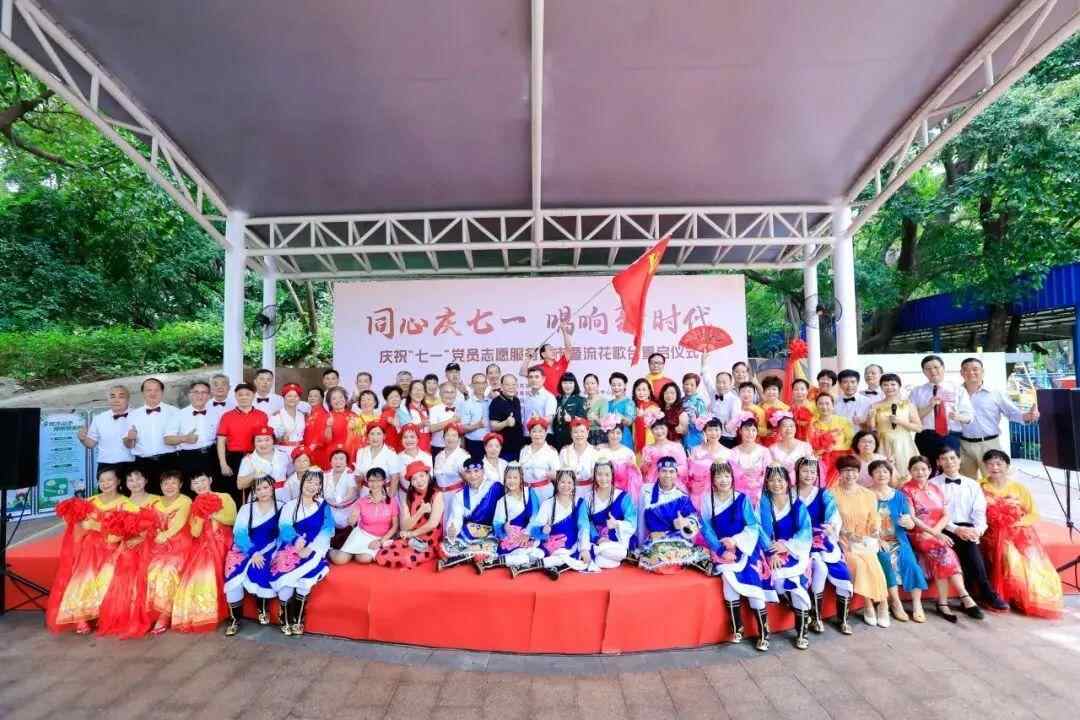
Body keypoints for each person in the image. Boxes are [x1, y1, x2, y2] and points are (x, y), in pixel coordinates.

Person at [46, 468, 134, 634]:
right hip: (90, 549)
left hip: (114, 550)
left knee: (107, 578)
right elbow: (78, 528)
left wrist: (97, 526)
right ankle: (80, 617)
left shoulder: (127, 504)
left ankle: (102, 615)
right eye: (102, 481)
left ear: (118, 481)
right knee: (83, 577)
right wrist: (72, 520)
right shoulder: (89, 501)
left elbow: (125, 532)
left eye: (109, 480)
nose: (105, 484)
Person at [698, 461, 776, 648]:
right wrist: (721, 550)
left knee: (752, 583)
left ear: (732, 478)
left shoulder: (742, 498)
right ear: (712, 479)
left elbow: (753, 527)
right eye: (719, 476)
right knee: (728, 580)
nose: (723, 480)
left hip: (745, 548)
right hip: (721, 550)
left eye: (726, 476)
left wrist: (736, 541)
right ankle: (737, 627)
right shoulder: (707, 500)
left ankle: (764, 631)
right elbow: (706, 529)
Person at [980, 449, 1063, 618]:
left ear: (1007, 466)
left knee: (1020, 558)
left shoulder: (1019, 488)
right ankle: (1003, 595)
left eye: (999, 464)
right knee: (1005, 553)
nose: (994, 467)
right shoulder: (979, 486)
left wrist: (1017, 524)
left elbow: (1033, 514)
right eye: (990, 464)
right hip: (989, 533)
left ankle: (1021, 596)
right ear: (985, 467)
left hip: (1016, 532)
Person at [901, 455, 983, 623]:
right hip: (918, 533)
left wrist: (937, 532)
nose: (920, 472)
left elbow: (946, 514)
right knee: (943, 551)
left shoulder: (936, 488)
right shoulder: (906, 490)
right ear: (909, 471)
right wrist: (934, 533)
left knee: (945, 553)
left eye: (923, 469)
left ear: (930, 470)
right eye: (915, 469)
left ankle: (944, 603)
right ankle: (964, 596)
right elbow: (912, 517)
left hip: (935, 532)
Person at [933, 444, 1009, 610]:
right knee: (968, 544)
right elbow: (934, 514)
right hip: (943, 528)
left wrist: (978, 530)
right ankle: (985, 593)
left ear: (960, 460)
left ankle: (972, 595)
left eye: (953, 458)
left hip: (969, 528)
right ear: (938, 462)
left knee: (970, 542)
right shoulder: (933, 485)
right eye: (944, 459)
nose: (949, 462)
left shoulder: (972, 484)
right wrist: (956, 529)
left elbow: (979, 512)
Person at [171, 472, 237, 633]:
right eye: (195, 483)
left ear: (210, 480)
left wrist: (212, 513)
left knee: (211, 567)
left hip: (224, 542)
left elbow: (232, 519)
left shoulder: (224, 497)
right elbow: (194, 533)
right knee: (196, 575)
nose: (200, 485)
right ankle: (200, 614)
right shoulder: (193, 504)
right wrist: (200, 516)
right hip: (203, 545)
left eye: (202, 481)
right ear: (191, 487)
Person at [794, 457, 855, 635]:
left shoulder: (823, 493)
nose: (809, 475)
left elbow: (833, 515)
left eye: (813, 472)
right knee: (819, 568)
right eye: (805, 471)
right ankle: (816, 617)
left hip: (822, 540)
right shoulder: (789, 494)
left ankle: (843, 618)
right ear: (797, 472)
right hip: (800, 542)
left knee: (843, 573)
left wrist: (831, 527)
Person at [271, 469, 334, 636]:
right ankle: (285, 616)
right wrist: (296, 543)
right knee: (286, 582)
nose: (312, 486)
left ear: (320, 487)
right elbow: (284, 528)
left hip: (314, 548)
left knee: (305, 581)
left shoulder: (323, 506)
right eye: (309, 482)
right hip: (290, 548)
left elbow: (327, 530)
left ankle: (298, 618)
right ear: (302, 483)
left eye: (317, 484)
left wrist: (311, 548)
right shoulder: (290, 506)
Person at [759, 465, 814, 650]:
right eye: (772, 480)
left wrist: (787, 546)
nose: (776, 484)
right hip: (771, 551)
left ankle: (802, 632)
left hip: (795, 550)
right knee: (779, 580)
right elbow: (761, 530)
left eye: (780, 480)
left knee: (794, 581)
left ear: (787, 482)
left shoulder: (797, 504)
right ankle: (803, 614)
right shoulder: (763, 503)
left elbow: (805, 531)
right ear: (766, 483)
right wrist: (772, 552)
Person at [832, 454, 888, 627]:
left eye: (854, 470)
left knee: (872, 561)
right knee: (859, 564)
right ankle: (869, 604)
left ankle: (883, 604)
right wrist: (846, 534)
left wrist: (875, 530)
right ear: (839, 472)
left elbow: (875, 517)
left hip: (865, 540)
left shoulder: (868, 494)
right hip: (843, 541)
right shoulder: (832, 494)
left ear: (858, 472)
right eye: (846, 470)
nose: (850, 474)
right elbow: (830, 521)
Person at [959, 357, 1039, 478]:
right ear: (961, 373)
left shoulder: (995, 393)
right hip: (963, 445)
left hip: (989, 444)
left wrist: (1028, 416)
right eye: (966, 369)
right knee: (966, 482)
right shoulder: (956, 393)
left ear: (982, 372)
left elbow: (1012, 413)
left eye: (975, 369)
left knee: (994, 480)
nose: (971, 372)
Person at [869, 459, 927, 625]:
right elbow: (862, 522)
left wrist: (908, 523)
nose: (881, 474)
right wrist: (877, 539)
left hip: (899, 539)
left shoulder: (899, 496)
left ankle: (917, 604)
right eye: (877, 471)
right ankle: (896, 603)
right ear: (871, 475)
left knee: (911, 563)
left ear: (890, 475)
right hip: (876, 540)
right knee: (885, 559)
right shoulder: (866, 495)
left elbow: (909, 521)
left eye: (885, 471)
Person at [223, 475, 282, 636]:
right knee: (234, 576)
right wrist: (252, 552)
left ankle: (262, 608)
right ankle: (234, 619)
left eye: (266, 487)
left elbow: (283, 533)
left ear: (272, 488)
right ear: (254, 492)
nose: (262, 492)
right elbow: (240, 534)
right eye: (258, 489)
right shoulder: (246, 508)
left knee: (264, 569)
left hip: (270, 548)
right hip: (244, 548)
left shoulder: (282, 507)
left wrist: (276, 551)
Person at [638, 457, 709, 574]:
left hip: (676, 539)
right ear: (658, 472)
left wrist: (684, 524)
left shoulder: (681, 497)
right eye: (664, 471)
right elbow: (640, 520)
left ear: (676, 474)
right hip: (655, 540)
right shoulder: (646, 491)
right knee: (659, 561)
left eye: (671, 471)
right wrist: (641, 543)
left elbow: (694, 520)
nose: (667, 475)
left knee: (673, 557)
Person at [144, 470, 193, 634]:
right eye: (166, 483)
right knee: (151, 571)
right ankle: (151, 613)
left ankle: (164, 615)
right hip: (158, 545)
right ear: (160, 485)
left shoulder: (185, 501)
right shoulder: (155, 502)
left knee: (168, 572)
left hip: (179, 545)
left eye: (173, 483)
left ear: (181, 485)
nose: (169, 486)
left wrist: (165, 535)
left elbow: (178, 524)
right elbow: (149, 523)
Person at [438, 457, 503, 572]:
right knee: (445, 546)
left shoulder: (495, 488)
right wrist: (452, 529)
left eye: (476, 471)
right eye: (469, 472)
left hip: (491, 533)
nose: (473, 476)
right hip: (468, 534)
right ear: (464, 474)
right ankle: (475, 556)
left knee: (494, 545)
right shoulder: (460, 495)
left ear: (483, 471)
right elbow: (456, 518)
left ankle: (464, 557)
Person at [376, 461, 445, 570]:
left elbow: (433, 523)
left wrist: (411, 533)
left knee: (407, 559)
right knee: (382, 555)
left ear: (428, 476)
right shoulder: (408, 497)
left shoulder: (437, 494)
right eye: (414, 479)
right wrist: (420, 512)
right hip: (411, 538)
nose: (419, 481)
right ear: (411, 482)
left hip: (429, 541)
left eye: (421, 476)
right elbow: (404, 527)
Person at [522, 468, 587, 579]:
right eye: (562, 482)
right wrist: (542, 530)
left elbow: (584, 527)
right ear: (556, 483)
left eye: (569, 482)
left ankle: (539, 564)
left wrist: (584, 549)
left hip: (569, 545)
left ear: (574, 484)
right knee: (534, 553)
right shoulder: (547, 503)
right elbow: (534, 529)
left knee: (565, 555)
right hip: (550, 544)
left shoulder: (579, 502)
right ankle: (554, 564)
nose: (566, 486)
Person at [910, 354, 973, 469]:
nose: (932, 371)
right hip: (926, 436)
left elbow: (969, 417)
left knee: (950, 469)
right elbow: (912, 418)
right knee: (927, 470)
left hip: (950, 435)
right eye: (928, 368)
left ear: (943, 368)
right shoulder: (917, 392)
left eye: (936, 367)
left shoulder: (957, 389)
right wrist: (930, 406)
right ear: (923, 371)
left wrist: (958, 416)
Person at [216, 383, 270, 508]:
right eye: (240, 395)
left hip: (257, 456)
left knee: (258, 489)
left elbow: (268, 439)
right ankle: (237, 517)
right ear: (235, 396)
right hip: (235, 458)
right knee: (235, 491)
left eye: (247, 394)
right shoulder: (227, 416)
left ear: (253, 396)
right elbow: (221, 441)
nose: (244, 397)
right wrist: (223, 464)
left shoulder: (262, 415)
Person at [332, 467, 399, 565]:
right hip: (361, 534)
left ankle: (354, 554)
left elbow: (395, 526)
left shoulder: (391, 501)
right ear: (367, 482)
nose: (374, 484)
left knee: (364, 558)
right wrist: (351, 520)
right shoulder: (362, 501)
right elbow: (352, 520)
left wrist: (381, 541)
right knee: (340, 560)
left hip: (380, 537)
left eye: (378, 480)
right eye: (371, 481)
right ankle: (328, 551)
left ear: (383, 482)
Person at [578, 461, 637, 571]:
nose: (603, 478)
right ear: (594, 475)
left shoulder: (623, 496)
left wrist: (617, 524)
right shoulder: (587, 499)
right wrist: (597, 538)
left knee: (602, 554)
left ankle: (608, 552)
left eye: (607, 474)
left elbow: (632, 523)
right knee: (601, 560)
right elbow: (584, 525)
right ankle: (623, 556)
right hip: (598, 542)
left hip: (620, 542)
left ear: (612, 475)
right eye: (599, 474)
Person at [127, 377, 178, 494]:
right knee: (146, 497)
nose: (152, 393)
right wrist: (130, 438)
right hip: (143, 463)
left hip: (169, 461)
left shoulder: (174, 412)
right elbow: (128, 444)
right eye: (148, 390)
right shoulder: (133, 415)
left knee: (170, 495)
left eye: (156, 390)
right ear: (143, 393)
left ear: (162, 392)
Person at [165, 381, 220, 487]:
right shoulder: (179, 415)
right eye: (196, 392)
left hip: (212, 456)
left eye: (204, 392)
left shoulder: (216, 414)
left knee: (213, 487)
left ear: (209, 396)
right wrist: (184, 438)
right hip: (189, 458)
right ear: (190, 395)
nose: (200, 396)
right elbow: (167, 439)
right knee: (191, 489)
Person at [869, 373, 921, 482]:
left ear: (899, 386)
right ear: (881, 387)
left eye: (893, 384)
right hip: (883, 443)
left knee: (905, 474)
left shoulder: (908, 405)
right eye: (885, 385)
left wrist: (900, 421)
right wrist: (871, 417)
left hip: (903, 443)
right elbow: (872, 428)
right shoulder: (875, 406)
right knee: (884, 474)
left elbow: (918, 428)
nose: (889, 387)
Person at [491, 462, 543, 570]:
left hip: (528, 533)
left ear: (521, 479)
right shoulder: (502, 501)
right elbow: (497, 524)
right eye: (509, 477)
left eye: (515, 477)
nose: (512, 481)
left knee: (539, 554)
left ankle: (514, 561)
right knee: (522, 554)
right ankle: (507, 560)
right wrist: (505, 527)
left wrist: (527, 534)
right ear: (505, 479)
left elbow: (536, 516)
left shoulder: (529, 492)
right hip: (511, 537)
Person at [78, 385, 135, 481]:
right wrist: (82, 439)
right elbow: (91, 444)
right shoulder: (99, 418)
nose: (116, 400)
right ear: (108, 399)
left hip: (131, 464)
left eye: (121, 396)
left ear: (128, 399)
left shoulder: (138, 416)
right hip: (105, 464)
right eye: (112, 396)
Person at [304, 386, 357, 469]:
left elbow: (361, 437)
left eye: (341, 397)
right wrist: (329, 427)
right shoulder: (325, 417)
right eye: (334, 398)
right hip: (332, 455)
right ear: (330, 402)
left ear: (345, 399)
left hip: (351, 453)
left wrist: (354, 430)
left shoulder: (354, 416)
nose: (338, 400)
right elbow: (324, 440)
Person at [808, 393, 854, 487]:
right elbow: (809, 443)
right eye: (820, 404)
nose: (824, 407)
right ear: (816, 406)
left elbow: (851, 441)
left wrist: (833, 448)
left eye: (827, 403)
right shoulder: (813, 424)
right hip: (820, 460)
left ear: (833, 405)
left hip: (840, 460)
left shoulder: (844, 421)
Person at [687, 418, 732, 511]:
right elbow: (689, 474)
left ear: (721, 431)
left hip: (719, 494)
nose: (713, 433)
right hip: (698, 493)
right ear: (704, 431)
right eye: (710, 430)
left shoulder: (728, 453)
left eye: (716, 430)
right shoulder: (695, 450)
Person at [237, 426, 288, 504]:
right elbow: (240, 485)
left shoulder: (283, 455)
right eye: (259, 440)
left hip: (282, 496)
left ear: (273, 440)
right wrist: (255, 474)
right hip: (259, 497)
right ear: (254, 442)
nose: (264, 444)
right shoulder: (248, 460)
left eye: (267, 440)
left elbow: (291, 476)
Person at [520, 321, 573, 395]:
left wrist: (564, 331)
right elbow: (522, 372)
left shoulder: (561, 364)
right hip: (545, 400)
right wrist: (528, 358)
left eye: (553, 350)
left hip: (561, 399)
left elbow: (568, 349)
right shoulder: (538, 368)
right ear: (543, 354)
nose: (553, 351)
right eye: (550, 350)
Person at [728, 414, 769, 508]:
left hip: (761, 492)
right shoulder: (733, 452)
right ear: (740, 431)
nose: (750, 433)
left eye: (753, 430)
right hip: (739, 492)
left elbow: (769, 473)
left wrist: (757, 484)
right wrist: (744, 474)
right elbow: (731, 473)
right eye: (746, 429)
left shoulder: (765, 451)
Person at [699, 358, 740, 447]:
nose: (721, 385)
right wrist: (704, 363)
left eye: (724, 383)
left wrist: (727, 427)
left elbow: (735, 420)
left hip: (727, 438)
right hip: (712, 436)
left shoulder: (734, 400)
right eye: (718, 382)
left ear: (730, 384)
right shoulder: (714, 393)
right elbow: (707, 380)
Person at [559, 418, 600, 503]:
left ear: (587, 433)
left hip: (590, 491)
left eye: (582, 432)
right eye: (575, 432)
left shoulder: (595, 452)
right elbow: (560, 475)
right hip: (569, 492)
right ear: (571, 434)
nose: (579, 435)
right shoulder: (564, 452)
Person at [322, 446, 362, 534]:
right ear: (330, 461)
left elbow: (351, 492)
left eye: (341, 459)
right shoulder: (325, 475)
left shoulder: (351, 474)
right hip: (330, 512)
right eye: (335, 459)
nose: (338, 462)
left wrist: (339, 501)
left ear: (346, 461)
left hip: (348, 512)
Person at [640, 417, 688, 491]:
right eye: (656, 429)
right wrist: (645, 465)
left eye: (662, 428)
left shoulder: (677, 446)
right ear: (651, 431)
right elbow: (643, 471)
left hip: (673, 482)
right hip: (652, 482)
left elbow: (684, 467)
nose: (659, 431)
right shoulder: (647, 449)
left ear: (667, 429)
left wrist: (670, 471)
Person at [354, 422, 401, 496]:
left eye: (379, 434)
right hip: (365, 492)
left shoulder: (391, 453)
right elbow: (358, 477)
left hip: (384, 493)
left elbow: (395, 479)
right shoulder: (361, 452)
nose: (375, 437)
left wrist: (389, 498)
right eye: (372, 434)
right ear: (367, 436)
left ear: (384, 436)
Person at [520, 417, 560, 502]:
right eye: (534, 431)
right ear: (530, 433)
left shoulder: (551, 451)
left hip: (544, 492)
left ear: (545, 433)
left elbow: (558, 475)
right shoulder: (524, 450)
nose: (537, 434)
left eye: (540, 431)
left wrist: (545, 473)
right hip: (525, 491)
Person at [488, 374, 525, 461]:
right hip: (505, 450)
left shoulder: (516, 400)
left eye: (513, 384)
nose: (511, 387)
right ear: (501, 386)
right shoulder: (496, 402)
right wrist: (506, 423)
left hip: (519, 447)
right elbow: (493, 426)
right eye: (507, 384)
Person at [769, 414, 813, 483]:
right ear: (779, 429)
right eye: (784, 426)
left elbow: (811, 469)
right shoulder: (772, 449)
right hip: (780, 484)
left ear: (795, 428)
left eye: (791, 426)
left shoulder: (805, 446)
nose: (788, 429)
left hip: (802, 483)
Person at [268, 383, 306, 463]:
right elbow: (269, 437)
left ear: (299, 399)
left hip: (299, 453)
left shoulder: (302, 415)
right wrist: (280, 438)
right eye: (289, 396)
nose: (292, 399)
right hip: (282, 452)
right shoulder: (276, 416)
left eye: (296, 396)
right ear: (284, 397)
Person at [432, 422, 471, 497]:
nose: (450, 438)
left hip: (457, 496)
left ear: (459, 439)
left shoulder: (464, 457)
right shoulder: (438, 456)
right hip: (440, 497)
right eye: (447, 435)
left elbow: (470, 481)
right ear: (443, 438)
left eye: (454, 435)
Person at [551, 372, 587, 450]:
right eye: (565, 383)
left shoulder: (581, 400)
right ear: (561, 384)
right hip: (556, 438)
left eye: (570, 383)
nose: (567, 386)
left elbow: (583, 419)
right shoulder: (556, 399)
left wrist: (572, 418)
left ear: (575, 384)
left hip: (572, 438)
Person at [521, 366, 557, 438]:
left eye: (537, 377)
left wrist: (538, 420)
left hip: (543, 436)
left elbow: (549, 419)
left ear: (543, 379)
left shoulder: (549, 397)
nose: (533, 380)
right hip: (527, 435)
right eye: (530, 377)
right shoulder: (527, 397)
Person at [460, 372, 491, 458]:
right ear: (472, 385)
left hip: (490, 443)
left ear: (486, 384)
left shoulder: (491, 402)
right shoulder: (466, 404)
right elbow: (463, 428)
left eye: (483, 383)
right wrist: (477, 426)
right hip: (473, 443)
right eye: (477, 383)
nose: (481, 386)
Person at [397, 424, 434, 493]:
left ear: (418, 439)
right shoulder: (396, 458)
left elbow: (430, 480)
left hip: (425, 495)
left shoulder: (427, 457)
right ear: (401, 440)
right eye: (405, 437)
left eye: (412, 437)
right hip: (405, 495)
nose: (409, 440)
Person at [428, 382, 462, 458]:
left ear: (456, 394)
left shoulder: (460, 409)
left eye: (452, 392)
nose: (449, 395)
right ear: (440, 394)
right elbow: (431, 428)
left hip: (457, 449)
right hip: (438, 447)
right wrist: (452, 420)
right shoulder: (434, 409)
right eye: (446, 392)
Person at [398, 380, 433, 452]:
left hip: (426, 447)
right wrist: (421, 425)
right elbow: (405, 430)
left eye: (421, 390)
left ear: (424, 393)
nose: (418, 392)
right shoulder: (403, 408)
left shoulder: (428, 409)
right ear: (410, 393)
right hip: (411, 447)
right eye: (415, 389)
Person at [346, 389, 381, 460]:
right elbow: (349, 443)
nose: (366, 402)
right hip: (360, 456)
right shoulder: (354, 420)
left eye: (369, 399)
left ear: (375, 402)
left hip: (378, 455)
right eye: (363, 400)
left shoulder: (380, 420)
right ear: (359, 403)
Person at [631, 378, 661, 454]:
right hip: (635, 440)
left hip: (650, 439)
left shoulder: (654, 406)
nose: (641, 393)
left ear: (649, 391)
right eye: (638, 390)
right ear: (634, 391)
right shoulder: (632, 406)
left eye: (644, 390)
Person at [606, 372, 636, 449]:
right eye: (613, 385)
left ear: (625, 386)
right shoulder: (608, 403)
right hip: (610, 437)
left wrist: (621, 417)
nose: (616, 388)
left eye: (619, 385)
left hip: (623, 436)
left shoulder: (629, 403)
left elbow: (629, 422)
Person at [758, 376, 789, 446]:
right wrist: (766, 432)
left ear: (779, 391)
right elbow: (754, 426)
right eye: (768, 389)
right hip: (762, 442)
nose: (771, 392)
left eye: (774, 389)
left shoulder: (786, 408)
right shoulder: (759, 407)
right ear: (764, 391)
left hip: (781, 442)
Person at [680, 373, 708, 450]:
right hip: (681, 437)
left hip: (695, 437)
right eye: (686, 384)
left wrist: (694, 420)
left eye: (692, 385)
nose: (688, 387)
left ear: (696, 387)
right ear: (682, 386)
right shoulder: (680, 401)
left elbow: (704, 423)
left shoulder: (699, 402)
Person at [582, 373, 609, 445]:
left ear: (597, 385)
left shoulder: (603, 401)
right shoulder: (582, 401)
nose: (590, 386)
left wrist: (595, 418)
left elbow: (604, 423)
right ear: (584, 386)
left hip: (598, 434)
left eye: (592, 383)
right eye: (587, 384)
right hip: (583, 435)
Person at [379, 385, 404, 451]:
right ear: (387, 401)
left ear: (400, 398)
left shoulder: (405, 412)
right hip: (390, 450)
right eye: (391, 397)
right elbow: (379, 431)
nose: (394, 399)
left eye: (396, 396)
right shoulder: (385, 414)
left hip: (404, 450)